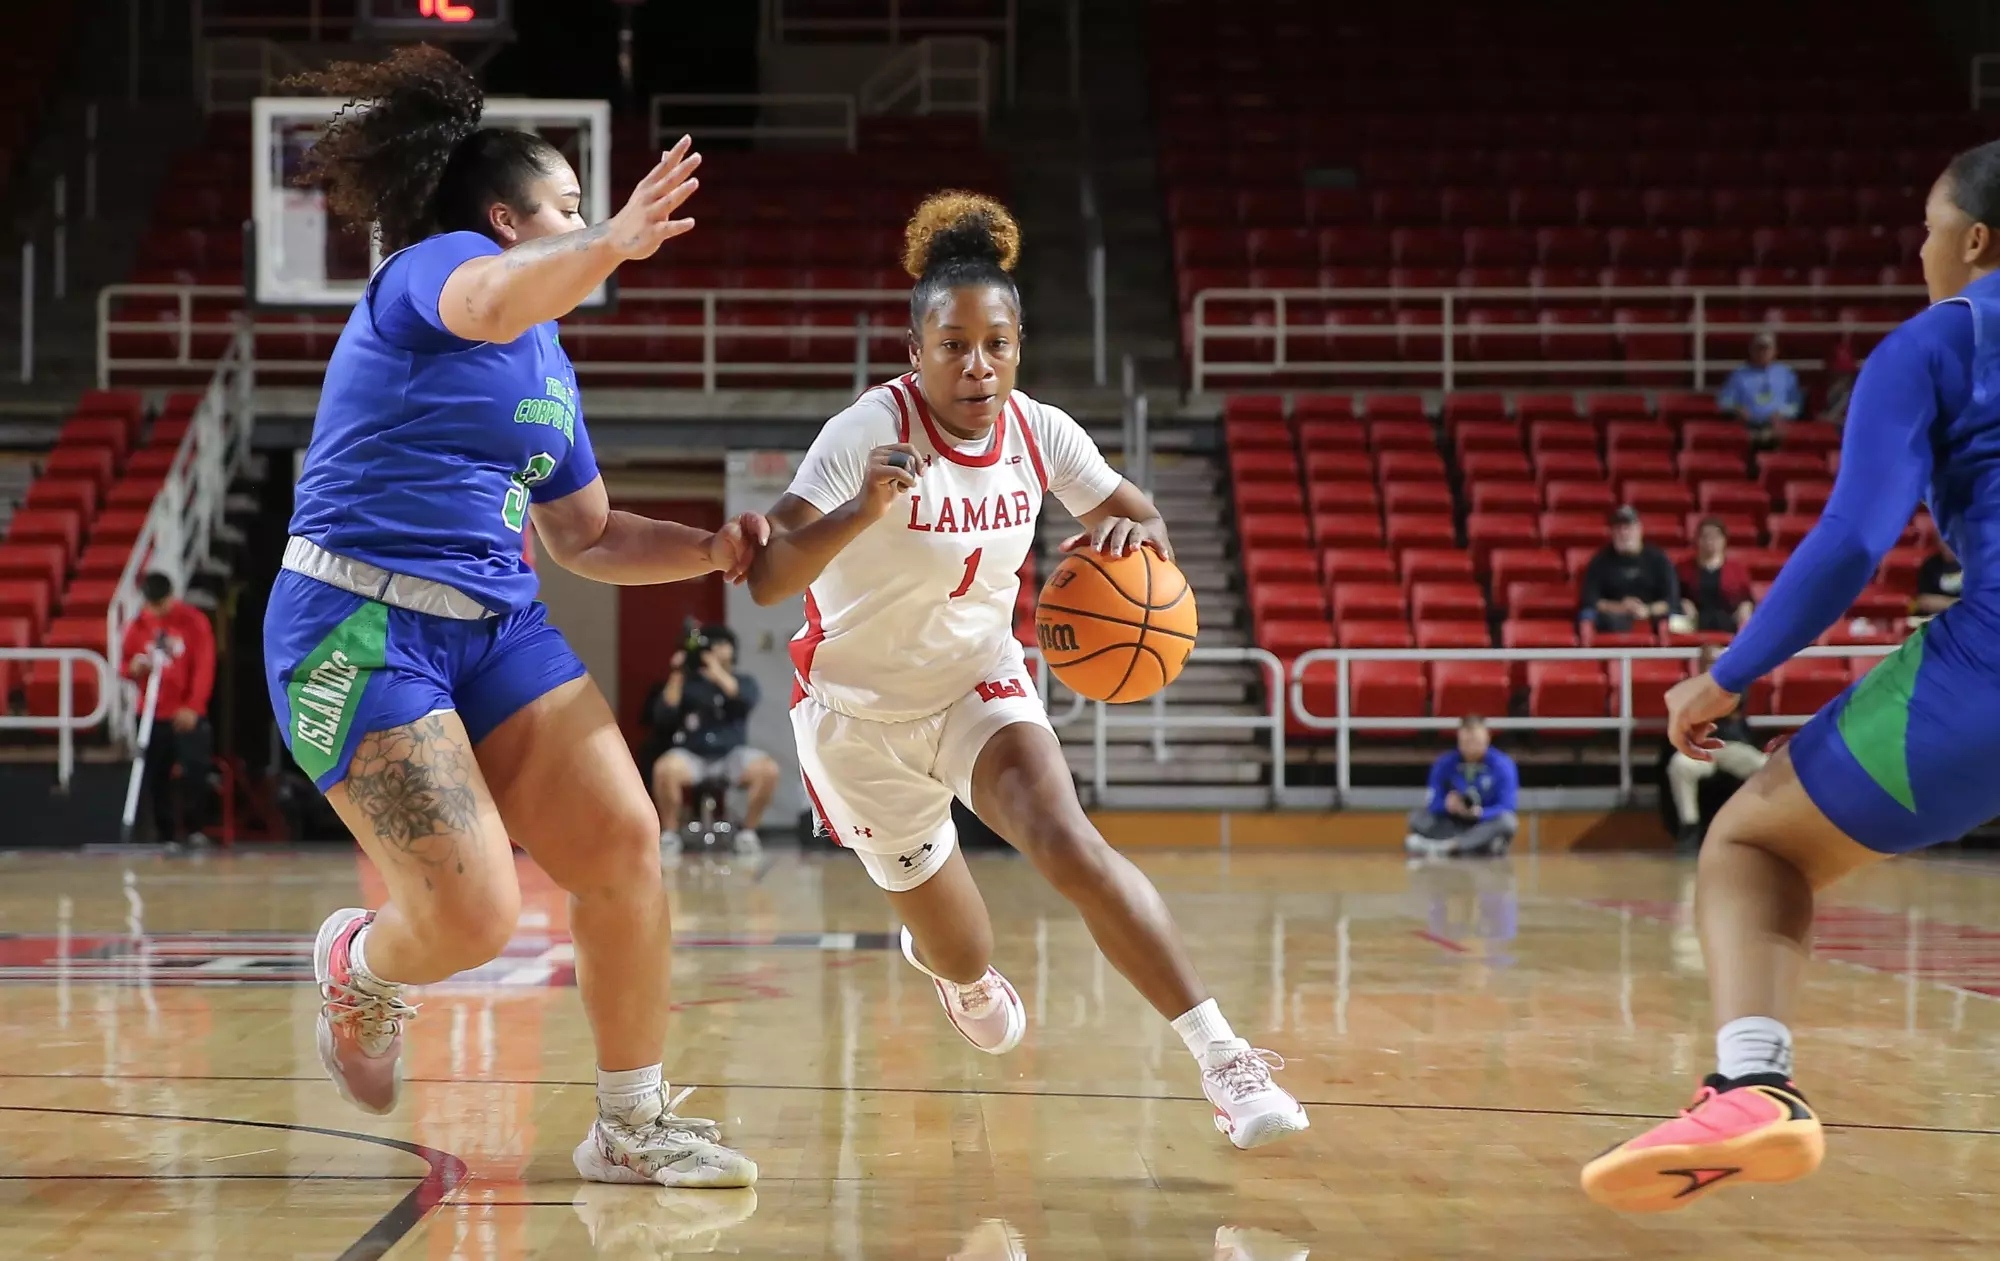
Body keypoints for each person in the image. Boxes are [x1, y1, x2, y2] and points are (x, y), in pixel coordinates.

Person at [263, 47, 766, 1188]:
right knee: (476, 917)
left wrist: (707, 551)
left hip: (494, 626)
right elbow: (496, 293)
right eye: (570, 209)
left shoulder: (547, 356)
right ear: (504, 216)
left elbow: (583, 534)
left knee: (625, 846)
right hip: (358, 623)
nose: (593, 226)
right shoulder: (434, 272)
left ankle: (628, 1127)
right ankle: (360, 963)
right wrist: (615, 239)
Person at [745, 192, 1308, 1150]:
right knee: (965, 948)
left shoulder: (1041, 431)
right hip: (858, 722)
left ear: (1019, 345)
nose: (978, 366)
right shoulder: (862, 433)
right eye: (955, 345)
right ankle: (960, 973)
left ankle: (1225, 1059)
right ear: (915, 349)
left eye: (997, 344)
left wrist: (1137, 539)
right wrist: (862, 510)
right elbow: (767, 578)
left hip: (979, 683)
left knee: (1066, 838)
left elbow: (1143, 519)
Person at [1581, 140, 1998, 1213]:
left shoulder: (1934, 344)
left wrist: (1724, 675)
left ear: (1973, 240)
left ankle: (1750, 1083)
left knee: (1754, 838)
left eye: (1923, 226)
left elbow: (1855, 539)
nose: (1917, 249)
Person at [642, 623, 779, 855]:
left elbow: (744, 699)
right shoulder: (688, 684)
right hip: (692, 754)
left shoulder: (743, 680)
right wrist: (678, 672)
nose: (715, 650)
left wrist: (716, 671)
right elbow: (664, 713)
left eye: (721, 645)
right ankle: (670, 833)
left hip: (731, 754)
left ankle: (747, 832)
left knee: (768, 770)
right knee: (665, 769)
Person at [121, 571, 217, 843]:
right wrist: (133, 668)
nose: (158, 610)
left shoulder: (193, 622)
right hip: (151, 714)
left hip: (186, 713)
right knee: (156, 776)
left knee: (195, 771)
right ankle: (165, 836)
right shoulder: (138, 625)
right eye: (153, 604)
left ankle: (195, 830)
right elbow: (125, 664)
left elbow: (204, 667)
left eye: (162, 603)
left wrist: (193, 707)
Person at [1663, 644, 1766, 851]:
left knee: (1764, 767)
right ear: (1700, 664)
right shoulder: (1689, 687)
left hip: (1732, 746)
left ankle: (1758, 830)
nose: (1712, 666)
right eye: (1708, 662)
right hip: (1700, 750)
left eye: (1716, 661)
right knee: (1679, 767)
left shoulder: (1737, 685)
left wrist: (1702, 710)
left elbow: (1727, 712)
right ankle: (1689, 829)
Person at [1403, 715, 1518, 859]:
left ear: (1487, 738)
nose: (1471, 746)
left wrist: (1479, 813)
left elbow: (1507, 807)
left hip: (1483, 823)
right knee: (1416, 818)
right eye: (1466, 742)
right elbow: (1433, 802)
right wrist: (1447, 805)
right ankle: (1476, 845)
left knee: (1507, 823)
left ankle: (1450, 847)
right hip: (1453, 823)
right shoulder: (1444, 763)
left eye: (1475, 741)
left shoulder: (1503, 765)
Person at [1580, 506, 1680, 633]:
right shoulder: (1600, 561)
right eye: (1618, 528)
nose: (1623, 532)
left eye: (1628, 527)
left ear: (1639, 529)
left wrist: (1646, 610)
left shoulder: (1658, 559)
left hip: (1652, 618)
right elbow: (1590, 600)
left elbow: (1671, 599)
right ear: (1612, 532)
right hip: (1612, 621)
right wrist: (1621, 607)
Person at [1717, 330, 1803, 449]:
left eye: (1766, 349)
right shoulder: (1739, 374)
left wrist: (1782, 413)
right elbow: (1724, 402)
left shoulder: (1786, 374)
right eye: (1758, 349)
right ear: (1751, 350)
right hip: (1747, 425)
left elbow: (1796, 404)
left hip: (1777, 426)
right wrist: (1738, 409)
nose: (1762, 353)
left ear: (1774, 351)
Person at [1678, 518, 1755, 632]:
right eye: (1705, 536)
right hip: (1693, 623)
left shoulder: (1737, 570)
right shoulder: (1683, 568)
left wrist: (1746, 606)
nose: (1710, 540)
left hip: (1729, 622)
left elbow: (1747, 598)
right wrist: (1682, 602)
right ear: (1697, 540)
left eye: (1715, 537)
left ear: (1724, 540)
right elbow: (1674, 595)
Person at [1916, 539, 1962, 615]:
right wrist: (1959, 604)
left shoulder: (1975, 566)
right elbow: (1923, 602)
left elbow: (1978, 605)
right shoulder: (1930, 565)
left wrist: (1942, 603)